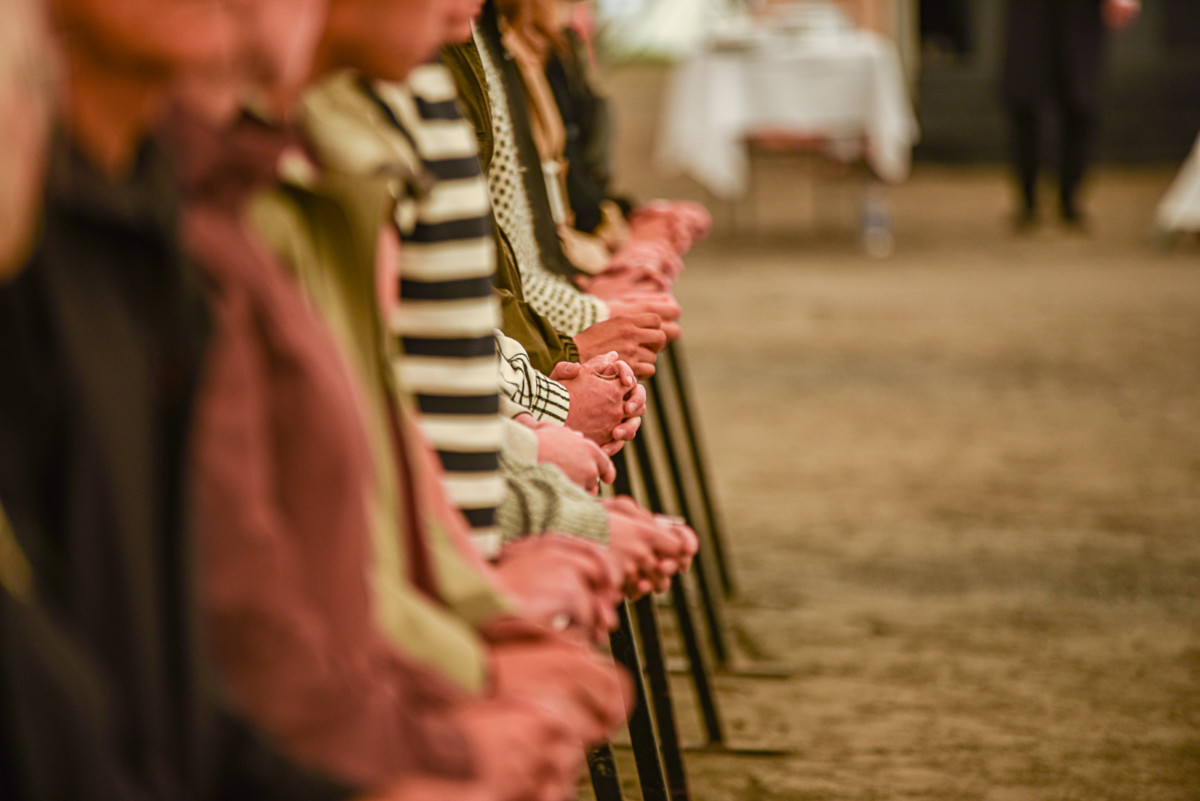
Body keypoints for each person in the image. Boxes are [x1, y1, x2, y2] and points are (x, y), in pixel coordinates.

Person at [1000, 0, 1141, 230]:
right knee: (1023, 100)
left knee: (1081, 102)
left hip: (1081, 10)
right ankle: (1028, 200)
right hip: (1029, 9)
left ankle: (1070, 199)